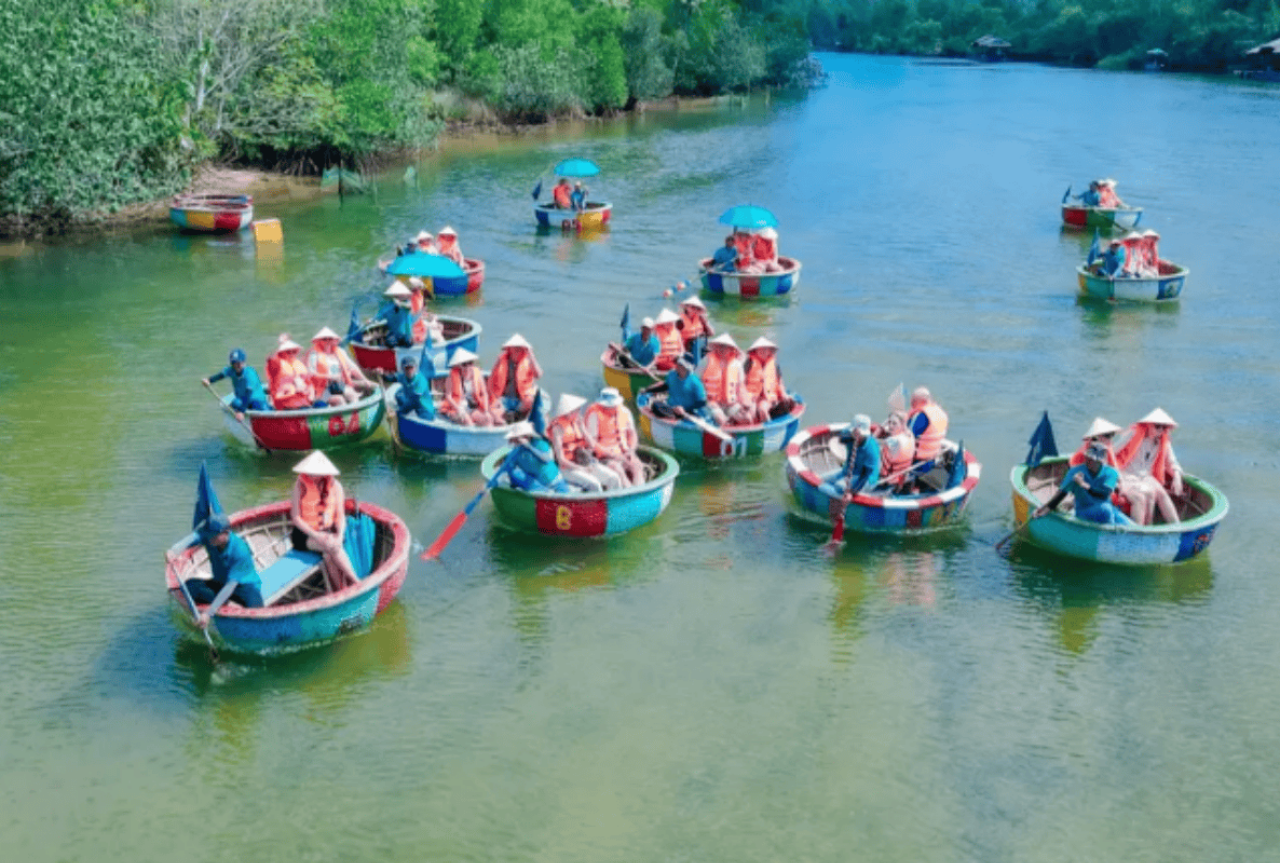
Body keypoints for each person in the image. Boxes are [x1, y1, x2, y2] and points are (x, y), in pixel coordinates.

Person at [288, 450, 359, 591]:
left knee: (329, 553)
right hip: (304, 535)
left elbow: (340, 516)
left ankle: (339, 589)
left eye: (315, 473)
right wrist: (317, 536)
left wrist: (339, 536)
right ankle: (355, 581)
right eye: (309, 472)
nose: (312, 476)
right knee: (332, 547)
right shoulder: (300, 485)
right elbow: (295, 518)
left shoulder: (336, 486)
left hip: (328, 533)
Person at [184, 512, 264, 628]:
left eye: (213, 535)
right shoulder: (210, 539)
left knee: (257, 613)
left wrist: (209, 613)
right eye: (208, 534)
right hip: (221, 582)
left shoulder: (240, 550)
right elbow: (195, 537)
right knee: (189, 586)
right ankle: (221, 604)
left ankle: (220, 606)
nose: (209, 538)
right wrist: (174, 551)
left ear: (226, 533)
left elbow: (230, 586)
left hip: (244, 586)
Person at [1035, 442, 1134, 526]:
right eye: (1087, 457)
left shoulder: (1111, 473)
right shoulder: (1075, 472)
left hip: (1105, 506)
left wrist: (1084, 485)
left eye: (1092, 459)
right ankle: (1110, 536)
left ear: (1100, 461)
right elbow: (1062, 493)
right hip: (1084, 510)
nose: (1087, 461)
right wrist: (1047, 508)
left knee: (1127, 523)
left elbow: (1104, 494)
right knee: (1106, 510)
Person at [1114, 408, 1183, 526]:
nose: (1160, 431)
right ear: (1149, 425)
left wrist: (1177, 476)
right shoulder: (1133, 434)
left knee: (1162, 494)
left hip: (1146, 476)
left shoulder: (1163, 440)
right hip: (1127, 475)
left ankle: (1178, 527)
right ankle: (1141, 530)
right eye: (1157, 426)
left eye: (1164, 427)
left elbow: (1172, 462)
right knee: (1145, 495)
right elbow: (1113, 451)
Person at [548, 393, 621, 493]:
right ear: (568, 411)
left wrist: (583, 428)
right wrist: (580, 469)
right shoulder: (557, 428)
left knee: (614, 478)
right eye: (576, 410)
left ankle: (614, 504)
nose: (578, 412)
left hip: (585, 463)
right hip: (568, 468)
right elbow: (561, 460)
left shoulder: (577, 422)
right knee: (594, 484)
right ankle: (597, 507)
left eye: (578, 410)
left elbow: (592, 445)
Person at [583, 387, 645, 487]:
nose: (610, 407)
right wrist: (612, 455)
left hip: (624, 452)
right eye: (607, 405)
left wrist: (631, 451)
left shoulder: (625, 411)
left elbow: (632, 434)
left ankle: (642, 491)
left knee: (637, 466)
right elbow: (593, 443)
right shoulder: (594, 413)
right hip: (604, 456)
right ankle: (630, 494)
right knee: (618, 470)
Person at [306, 326, 375, 406]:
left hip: (339, 384)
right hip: (323, 388)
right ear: (319, 341)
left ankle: (355, 415)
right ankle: (341, 415)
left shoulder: (340, 351)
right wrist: (329, 376)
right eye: (324, 339)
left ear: (334, 340)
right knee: (339, 400)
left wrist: (365, 379)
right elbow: (310, 373)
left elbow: (353, 368)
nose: (327, 341)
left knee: (352, 395)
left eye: (330, 339)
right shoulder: (314, 354)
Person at [487, 333, 543, 424]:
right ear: (509, 349)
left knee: (532, 402)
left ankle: (517, 415)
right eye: (515, 348)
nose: (518, 350)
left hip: (521, 399)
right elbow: (491, 380)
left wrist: (531, 355)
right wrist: (494, 398)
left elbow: (539, 375)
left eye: (521, 348)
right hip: (504, 399)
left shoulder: (528, 360)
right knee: (493, 413)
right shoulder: (501, 360)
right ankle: (505, 423)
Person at [503, 422, 572, 493]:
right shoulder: (517, 451)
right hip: (537, 484)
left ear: (525, 437)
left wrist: (529, 446)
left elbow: (546, 459)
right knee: (514, 473)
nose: (514, 441)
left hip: (555, 482)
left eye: (516, 438)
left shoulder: (540, 444)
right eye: (513, 439)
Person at [203, 348, 268, 421]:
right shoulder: (231, 370)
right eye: (234, 363)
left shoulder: (249, 372)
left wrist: (242, 412)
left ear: (243, 362)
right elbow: (220, 375)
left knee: (261, 407)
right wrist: (209, 380)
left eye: (239, 363)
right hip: (242, 400)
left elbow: (248, 393)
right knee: (235, 403)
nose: (237, 365)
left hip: (256, 399)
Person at [700, 333, 749, 427]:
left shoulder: (737, 364)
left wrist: (744, 404)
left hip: (730, 403)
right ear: (716, 347)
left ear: (731, 348)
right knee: (721, 420)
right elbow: (696, 381)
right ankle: (725, 435)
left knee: (747, 419)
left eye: (726, 346)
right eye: (720, 346)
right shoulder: (706, 360)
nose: (722, 349)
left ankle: (743, 435)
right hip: (711, 402)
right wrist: (705, 399)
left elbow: (741, 387)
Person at [742, 336, 793, 424]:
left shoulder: (774, 365)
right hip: (752, 396)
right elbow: (741, 382)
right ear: (755, 351)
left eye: (766, 349)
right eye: (760, 349)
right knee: (751, 412)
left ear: (770, 351)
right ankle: (751, 431)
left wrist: (784, 394)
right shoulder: (749, 363)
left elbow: (780, 382)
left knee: (762, 409)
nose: (763, 351)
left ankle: (769, 429)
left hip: (768, 397)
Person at [832, 414, 881, 496]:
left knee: (839, 486)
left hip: (866, 478)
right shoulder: (850, 435)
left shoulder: (872, 448)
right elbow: (840, 439)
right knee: (822, 480)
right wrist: (851, 436)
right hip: (848, 470)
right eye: (852, 431)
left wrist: (853, 491)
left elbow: (865, 475)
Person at [441, 348, 493, 426]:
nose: (468, 367)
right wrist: (458, 409)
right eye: (464, 364)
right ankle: (472, 437)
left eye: (470, 363)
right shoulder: (451, 377)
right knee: (468, 422)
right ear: (459, 365)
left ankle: (489, 437)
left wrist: (485, 410)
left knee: (488, 418)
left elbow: (484, 393)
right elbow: (448, 397)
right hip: (456, 408)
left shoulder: (477, 374)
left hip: (472, 406)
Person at [651, 354, 710, 422]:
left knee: (697, 415)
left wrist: (684, 409)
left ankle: (681, 417)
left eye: (680, 364)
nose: (677, 366)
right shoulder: (671, 374)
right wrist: (650, 390)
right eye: (678, 364)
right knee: (655, 405)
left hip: (687, 411)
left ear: (685, 367)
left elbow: (702, 402)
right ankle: (673, 416)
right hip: (671, 409)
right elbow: (666, 386)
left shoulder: (695, 382)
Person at [269, 339, 320, 410]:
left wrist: (311, 396)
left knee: (320, 404)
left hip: (302, 401)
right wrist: (293, 392)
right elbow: (275, 392)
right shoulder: (277, 366)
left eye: (294, 351)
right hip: (286, 404)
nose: (292, 354)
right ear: (282, 353)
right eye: (288, 352)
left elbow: (309, 384)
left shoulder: (299, 365)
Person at [907, 387, 949, 473]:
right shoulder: (940, 412)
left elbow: (907, 437)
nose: (911, 403)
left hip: (917, 462)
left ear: (923, 401)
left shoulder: (920, 416)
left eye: (913, 400)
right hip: (933, 457)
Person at [876, 411, 916, 491]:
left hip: (887, 478)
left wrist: (880, 428)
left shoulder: (892, 440)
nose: (890, 426)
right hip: (901, 476)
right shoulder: (910, 435)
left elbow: (871, 441)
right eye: (889, 422)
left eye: (894, 423)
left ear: (902, 424)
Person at [394, 354, 434, 419]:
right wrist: (382, 373)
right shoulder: (402, 377)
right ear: (403, 369)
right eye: (407, 368)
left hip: (425, 410)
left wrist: (400, 411)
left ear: (415, 367)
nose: (409, 370)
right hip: (413, 406)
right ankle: (403, 418)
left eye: (411, 367)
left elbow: (415, 400)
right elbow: (391, 378)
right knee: (398, 395)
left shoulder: (421, 380)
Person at [378, 283, 415, 348]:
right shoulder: (388, 306)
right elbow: (379, 315)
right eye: (399, 294)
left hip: (405, 334)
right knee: (390, 343)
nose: (402, 295)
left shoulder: (407, 303)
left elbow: (409, 307)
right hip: (394, 334)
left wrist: (400, 304)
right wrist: (370, 320)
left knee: (409, 343)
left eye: (402, 294)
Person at [652, 308, 684, 372]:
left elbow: (682, 349)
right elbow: (654, 349)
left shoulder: (676, 332)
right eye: (667, 321)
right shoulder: (657, 332)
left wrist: (679, 355)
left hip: (675, 360)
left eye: (671, 321)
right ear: (662, 322)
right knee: (677, 369)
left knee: (685, 367)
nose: (670, 323)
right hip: (662, 361)